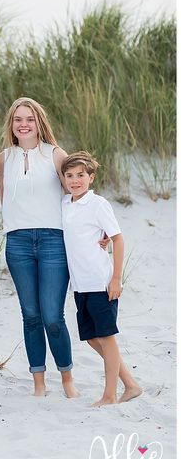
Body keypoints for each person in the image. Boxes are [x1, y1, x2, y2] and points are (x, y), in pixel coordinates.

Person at [0, 97, 79, 398]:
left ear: (39, 121)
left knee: (52, 316)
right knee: (30, 314)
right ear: (12, 124)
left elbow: (76, 194)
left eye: (29, 118)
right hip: (17, 242)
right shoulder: (4, 158)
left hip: (52, 241)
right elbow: (5, 199)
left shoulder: (55, 154)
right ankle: (39, 383)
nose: (24, 124)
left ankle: (67, 379)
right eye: (18, 119)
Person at [61, 151, 142, 406]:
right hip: (80, 283)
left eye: (81, 175)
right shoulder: (65, 203)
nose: (75, 181)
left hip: (100, 281)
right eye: (70, 176)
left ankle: (110, 395)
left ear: (91, 178)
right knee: (91, 337)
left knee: (106, 337)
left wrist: (116, 279)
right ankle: (130, 384)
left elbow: (117, 238)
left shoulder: (98, 204)